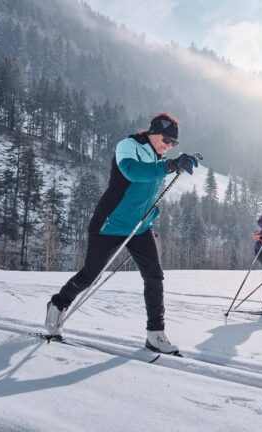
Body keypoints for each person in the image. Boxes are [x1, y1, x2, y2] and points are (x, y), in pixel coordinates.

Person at [44, 113, 198, 354]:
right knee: (89, 275)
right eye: (166, 140)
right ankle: (57, 303)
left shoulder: (159, 159)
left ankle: (155, 333)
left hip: (139, 228)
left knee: (154, 276)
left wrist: (154, 209)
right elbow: (132, 172)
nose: (168, 146)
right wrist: (169, 164)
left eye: (173, 144)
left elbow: (147, 195)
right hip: (109, 224)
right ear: (153, 132)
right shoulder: (129, 145)